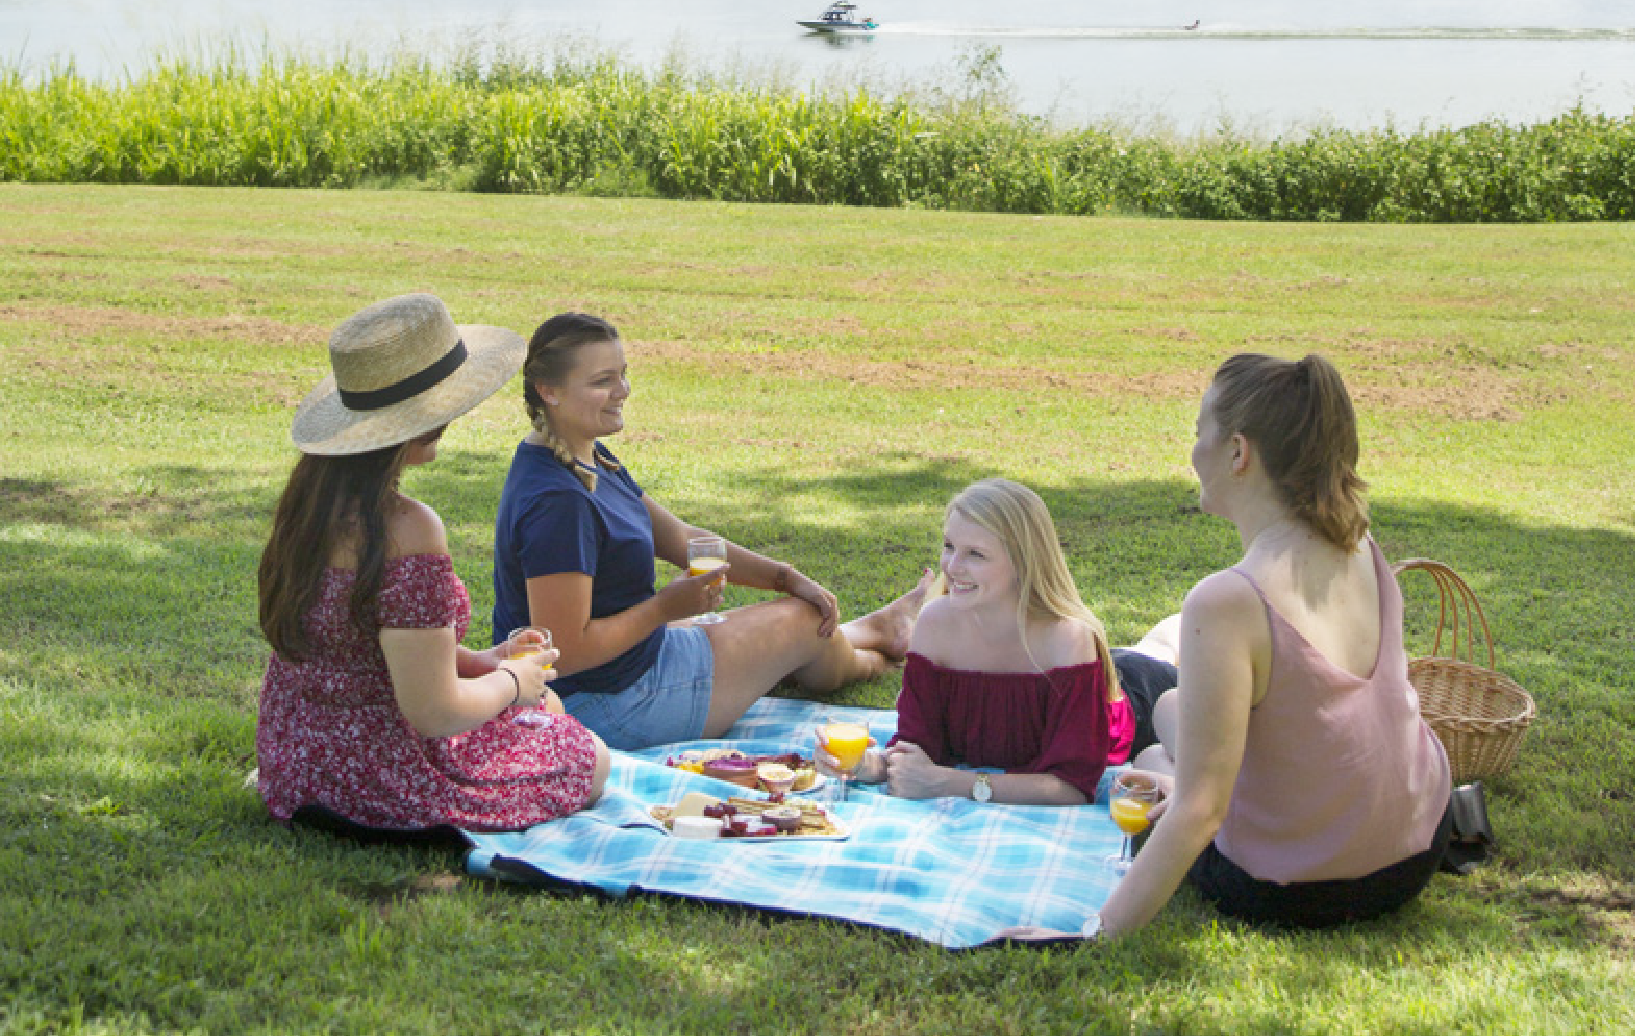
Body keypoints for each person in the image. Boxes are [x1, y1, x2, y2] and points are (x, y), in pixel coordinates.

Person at [1092, 353, 1451, 939]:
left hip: (1291, 887)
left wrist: (1097, 933)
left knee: (1157, 734)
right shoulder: (1360, 544)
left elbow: (1202, 813)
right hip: (1415, 849)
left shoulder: (1226, 602)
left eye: (1197, 434)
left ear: (1238, 453)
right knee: (1166, 709)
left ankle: (1162, 762)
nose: (1192, 452)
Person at [491, 312, 930, 750]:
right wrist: (665, 608)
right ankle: (875, 658)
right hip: (606, 706)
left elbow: (681, 539)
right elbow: (564, 651)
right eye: (603, 380)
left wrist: (784, 576)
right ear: (550, 391)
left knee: (791, 618)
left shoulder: (581, 455)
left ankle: (874, 629)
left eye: (623, 375)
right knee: (805, 622)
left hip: (633, 665)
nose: (622, 391)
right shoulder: (559, 502)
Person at [256, 293, 608, 831]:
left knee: (547, 711)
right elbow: (434, 712)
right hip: (378, 777)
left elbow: (363, 647)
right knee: (589, 755)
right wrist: (515, 680)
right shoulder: (406, 528)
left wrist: (481, 660)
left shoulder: (307, 510)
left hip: (298, 763)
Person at [815, 478, 1177, 805]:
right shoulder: (935, 623)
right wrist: (864, 765)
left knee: (1162, 653)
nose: (952, 566)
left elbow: (1070, 786)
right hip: (1099, 668)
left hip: (1135, 693)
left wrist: (950, 783)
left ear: (1023, 563)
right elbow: (919, 750)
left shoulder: (1068, 638)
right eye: (949, 546)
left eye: (976, 554)